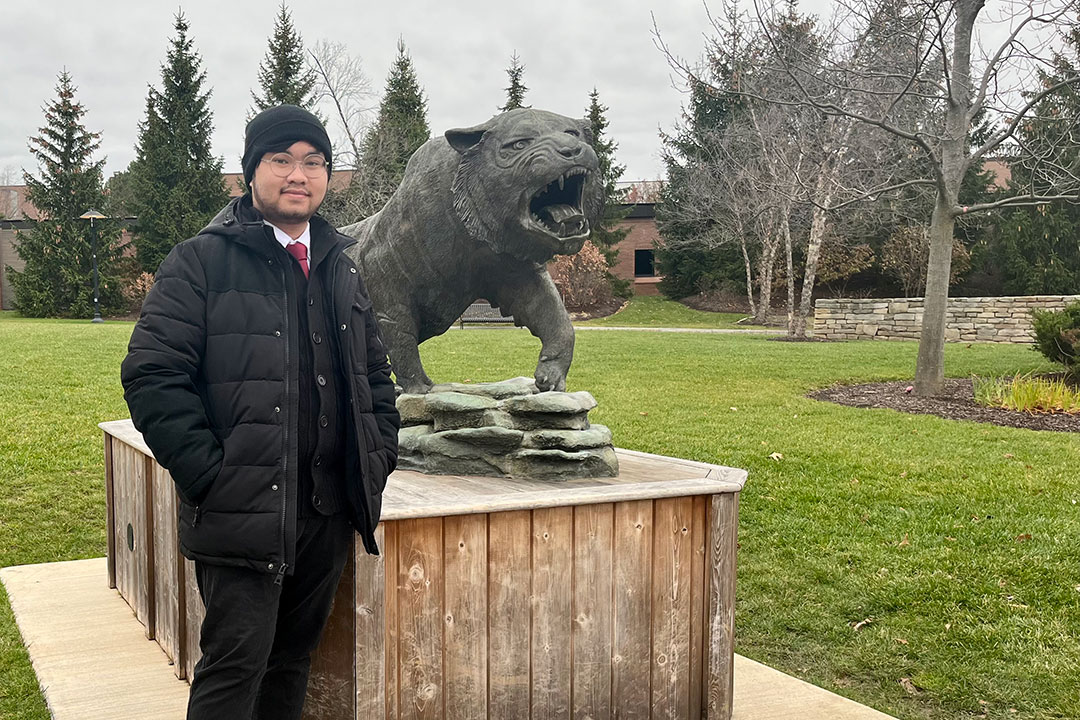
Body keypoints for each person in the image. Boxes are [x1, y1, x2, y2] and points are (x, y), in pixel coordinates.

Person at [121, 104, 399, 720]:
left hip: (325, 513)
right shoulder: (201, 262)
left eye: (314, 162)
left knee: (291, 665)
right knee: (232, 672)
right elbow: (153, 374)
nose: (298, 174)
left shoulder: (340, 267)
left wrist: (374, 462)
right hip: (242, 511)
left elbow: (375, 378)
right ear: (252, 173)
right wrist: (209, 476)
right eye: (281, 160)